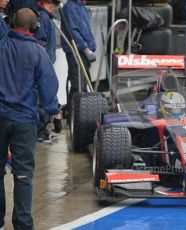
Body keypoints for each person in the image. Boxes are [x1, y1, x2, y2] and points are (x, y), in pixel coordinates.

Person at [0, 6, 60, 230]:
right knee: (23, 173)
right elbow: (48, 87)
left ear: (12, 23)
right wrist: (53, 111)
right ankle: (23, 224)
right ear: (35, 27)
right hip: (24, 120)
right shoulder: (38, 52)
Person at [61, 0, 96, 122]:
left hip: (83, 51)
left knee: (83, 85)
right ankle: (74, 119)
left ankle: (81, 116)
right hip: (76, 51)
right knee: (78, 85)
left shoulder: (80, 6)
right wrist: (86, 48)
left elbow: (84, 30)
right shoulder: (70, 7)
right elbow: (73, 31)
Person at [34, 0, 63, 140]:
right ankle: (39, 132)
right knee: (41, 96)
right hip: (42, 65)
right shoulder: (43, 18)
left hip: (44, 63)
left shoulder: (44, 17)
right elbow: (41, 44)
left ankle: (41, 130)